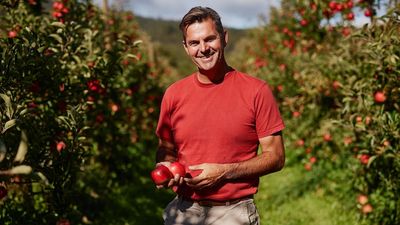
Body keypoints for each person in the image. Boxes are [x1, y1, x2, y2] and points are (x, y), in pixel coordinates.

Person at [154, 6, 285, 225]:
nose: (203, 49)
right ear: (186, 47)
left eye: (210, 39)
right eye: (194, 43)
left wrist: (225, 172)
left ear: (224, 38)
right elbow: (166, 149)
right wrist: (165, 168)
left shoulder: (256, 91)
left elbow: (276, 157)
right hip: (183, 211)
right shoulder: (173, 94)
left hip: (233, 212)